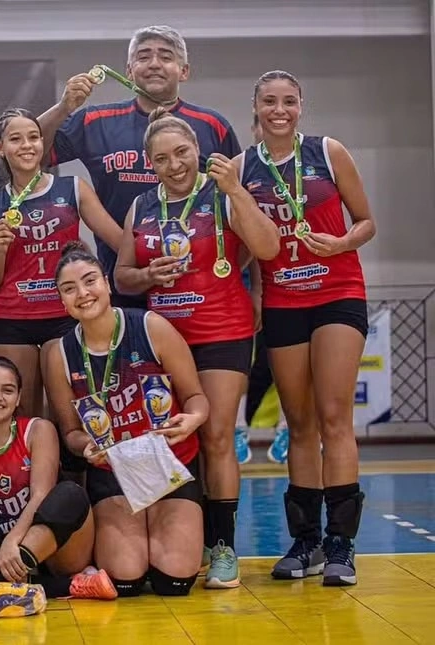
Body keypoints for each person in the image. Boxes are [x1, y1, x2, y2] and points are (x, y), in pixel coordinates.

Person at [112, 109, 279, 588]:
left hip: (221, 331)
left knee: (217, 436)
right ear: (150, 163)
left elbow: (266, 247)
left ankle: (224, 546)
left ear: (198, 151)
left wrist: (235, 191)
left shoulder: (221, 194)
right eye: (162, 158)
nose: (175, 164)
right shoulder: (141, 205)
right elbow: (121, 275)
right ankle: (186, 534)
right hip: (162, 341)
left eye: (182, 152)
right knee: (173, 438)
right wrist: (147, 275)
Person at [241, 70, 375, 586]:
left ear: (301, 106)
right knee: (298, 421)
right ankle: (307, 541)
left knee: (334, 412)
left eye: (289, 101)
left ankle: (342, 545)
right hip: (283, 299)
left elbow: (366, 221)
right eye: (270, 101)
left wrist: (340, 243)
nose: (280, 110)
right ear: (255, 107)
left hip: (337, 293)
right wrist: (253, 297)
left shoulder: (328, 151)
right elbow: (247, 247)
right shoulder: (241, 167)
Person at [43, 241, 209, 597]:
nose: (83, 294)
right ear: (61, 299)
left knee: (175, 580)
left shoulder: (151, 327)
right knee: (125, 579)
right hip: (114, 471)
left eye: (90, 282)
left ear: (106, 282)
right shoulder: (58, 354)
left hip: (169, 465)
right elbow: (70, 432)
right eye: (69, 289)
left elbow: (196, 399)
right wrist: (86, 446)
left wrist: (192, 419)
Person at [37, 25, 241, 309]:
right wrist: (63, 107)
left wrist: (252, 288)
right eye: (144, 56)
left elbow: (242, 205)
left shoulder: (212, 125)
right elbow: (34, 156)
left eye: (166, 56)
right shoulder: (97, 121)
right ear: (129, 70)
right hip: (122, 283)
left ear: (184, 71)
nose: (154, 63)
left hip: (199, 285)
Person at [0, 356, 117, 607]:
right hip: (8, 553)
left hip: (59, 548)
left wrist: (13, 542)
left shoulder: (38, 429)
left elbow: (41, 494)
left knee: (69, 494)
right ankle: (72, 586)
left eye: (8, 390)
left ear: (19, 397)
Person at [0, 108, 121, 417]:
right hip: (12, 319)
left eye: (33, 137)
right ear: (0, 148)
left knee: (71, 410)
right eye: (15, 139)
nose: (27, 145)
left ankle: (69, 467)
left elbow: (118, 240)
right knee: (21, 413)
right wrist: (0, 249)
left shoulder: (71, 188)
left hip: (65, 314)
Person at [235, 116, 290, 466]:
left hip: (293, 282)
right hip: (247, 284)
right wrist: (254, 286)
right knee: (242, 360)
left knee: (288, 362)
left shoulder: (308, 171)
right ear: (254, 130)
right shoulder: (244, 175)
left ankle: (287, 426)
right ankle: (239, 427)